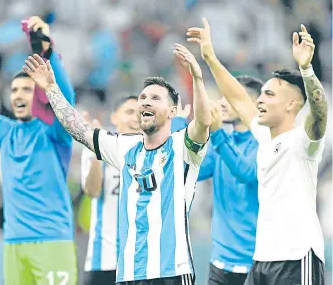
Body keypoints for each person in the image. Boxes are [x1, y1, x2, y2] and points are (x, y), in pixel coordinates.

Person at [23, 42, 211, 285]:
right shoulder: (124, 147)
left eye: (155, 98)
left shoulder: (183, 147)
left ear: (172, 111)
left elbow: (203, 122)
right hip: (129, 274)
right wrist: (51, 88)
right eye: (143, 97)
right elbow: (77, 128)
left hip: (171, 272)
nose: (145, 102)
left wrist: (197, 78)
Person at [187, 18, 327, 284]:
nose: (260, 100)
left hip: (296, 258)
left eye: (270, 95)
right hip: (262, 260)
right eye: (260, 94)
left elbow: (320, 112)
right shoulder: (263, 137)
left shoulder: (304, 142)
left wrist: (307, 69)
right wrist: (210, 57)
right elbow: (239, 97)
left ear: (291, 104)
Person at [0, 17, 77, 285]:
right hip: (14, 245)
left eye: (26, 90)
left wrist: (47, 51)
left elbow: (65, 100)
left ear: (38, 95)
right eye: (15, 91)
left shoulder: (55, 133)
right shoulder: (5, 131)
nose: (19, 96)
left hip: (52, 243)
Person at [81, 96, 188, 285]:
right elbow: (92, 190)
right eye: (128, 112)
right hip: (104, 259)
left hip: (141, 262)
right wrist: (97, 154)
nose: (134, 118)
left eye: (138, 113)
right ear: (114, 117)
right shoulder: (101, 146)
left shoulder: (153, 152)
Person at [197, 76, 263, 285]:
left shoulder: (264, 144)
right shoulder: (221, 143)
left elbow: (245, 172)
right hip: (220, 262)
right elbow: (190, 172)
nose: (222, 102)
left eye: (231, 97)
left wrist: (217, 134)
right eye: (222, 97)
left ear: (251, 104)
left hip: (256, 261)